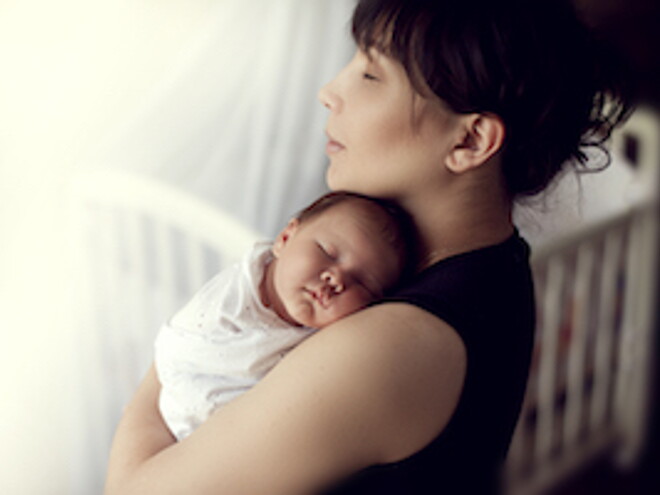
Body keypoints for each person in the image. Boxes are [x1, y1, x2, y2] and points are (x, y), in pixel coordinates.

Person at [105, 0, 632, 494]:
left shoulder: (392, 345)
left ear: (470, 141)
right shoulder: (494, 263)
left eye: (370, 74)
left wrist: (183, 346)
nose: (329, 91)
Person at [154, 191, 412, 441]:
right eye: (327, 253)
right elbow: (179, 355)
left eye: (361, 282)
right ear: (286, 238)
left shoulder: (336, 343)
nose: (335, 279)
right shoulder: (228, 305)